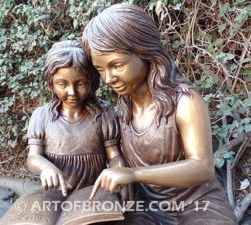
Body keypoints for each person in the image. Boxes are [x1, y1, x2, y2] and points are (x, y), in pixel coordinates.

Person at [82, 3, 237, 225]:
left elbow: (202, 168)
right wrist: (119, 173)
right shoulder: (121, 109)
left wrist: (135, 175)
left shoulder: (185, 102)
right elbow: (118, 157)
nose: (108, 78)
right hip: (147, 207)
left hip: (198, 207)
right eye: (100, 69)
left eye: (117, 65)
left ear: (145, 53)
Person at [27, 40, 126, 197]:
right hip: (56, 195)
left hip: (94, 194)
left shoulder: (105, 114)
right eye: (62, 84)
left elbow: (114, 155)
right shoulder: (42, 117)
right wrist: (45, 167)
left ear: (92, 82)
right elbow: (33, 156)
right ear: (51, 84)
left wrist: (118, 173)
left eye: (80, 84)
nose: (72, 92)